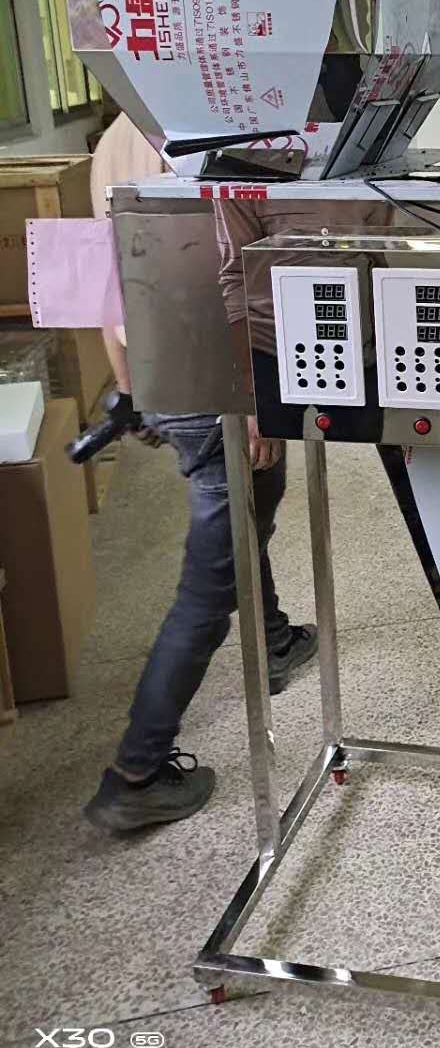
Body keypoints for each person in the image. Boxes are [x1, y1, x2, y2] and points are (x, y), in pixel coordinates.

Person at [83, 115, 317, 833]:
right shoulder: (209, 132)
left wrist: (132, 386)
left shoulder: (113, 141)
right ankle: (137, 772)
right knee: (207, 586)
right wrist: (248, 399)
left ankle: (273, 640)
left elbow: (110, 281)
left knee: (246, 511)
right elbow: (231, 279)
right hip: (216, 382)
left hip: (166, 373)